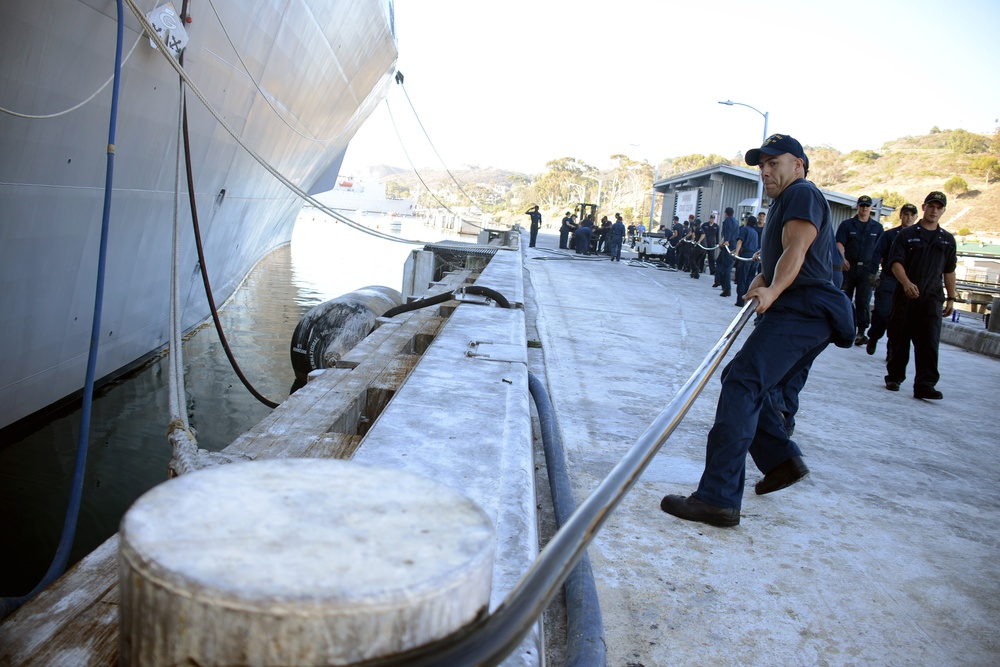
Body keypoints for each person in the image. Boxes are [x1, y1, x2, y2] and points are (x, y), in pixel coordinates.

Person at [660, 134, 854, 527]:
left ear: (798, 164)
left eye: (774, 163)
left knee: (741, 384)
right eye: (761, 165)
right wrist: (763, 278)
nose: (765, 171)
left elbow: (798, 251)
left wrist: (774, 290)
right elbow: (787, 255)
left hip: (802, 311)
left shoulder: (801, 193)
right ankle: (782, 462)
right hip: (801, 311)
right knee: (741, 377)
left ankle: (718, 498)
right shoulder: (786, 200)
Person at [884, 192, 957, 399]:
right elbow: (895, 262)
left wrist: (951, 297)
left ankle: (925, 384)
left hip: (932, 297)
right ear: (923, 207)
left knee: (929, 341)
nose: (934, 211)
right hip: (906, 295)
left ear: (943, 210)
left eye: (939, 207)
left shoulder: (947, 240)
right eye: (931, 206)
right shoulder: (906, 235)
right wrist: (906, 283)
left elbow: (949, 270)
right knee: (900, 337)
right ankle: (894, 377)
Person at [865, 203, 918, 355]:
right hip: (889, 279)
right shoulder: (889, 235)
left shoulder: (917, 237)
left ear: (915, 217)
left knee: (899, 320)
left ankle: (892, 351)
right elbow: (877, 253)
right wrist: (872, 273)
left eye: (911, 215)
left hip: (908, 282)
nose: (908, 218)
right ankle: (874, 337)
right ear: (901, 216)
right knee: (882, 313)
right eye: (905, 214)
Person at [836, 195, 883, 345]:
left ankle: (861, 331)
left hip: (867, 269)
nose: (864, 208)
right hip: (849, 267)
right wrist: (842, 259)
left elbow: (881, 250)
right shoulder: (847, 225)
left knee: (863, 300)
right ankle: (843, 328)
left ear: (871, 208)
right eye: (862, 205)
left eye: (867, 206)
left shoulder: (877, 228)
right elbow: (839, 243)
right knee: (844, 298)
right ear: (857, 206)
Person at [733, 214, 760, 306]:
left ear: (747, 222)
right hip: (753, 258)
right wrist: (735, 250)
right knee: (750, 279)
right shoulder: (755, 232)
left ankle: (740, 301)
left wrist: (736, 252)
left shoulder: (744, 229)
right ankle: (748, 300)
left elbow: (740, 241)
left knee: (742, 279)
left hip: (745, 257)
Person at [717, 207, 738, 297]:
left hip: (728, 246)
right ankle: (722, 284)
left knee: (727, 267)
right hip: (732, 244)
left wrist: (726, 241)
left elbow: (728, 232)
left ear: (726, 213)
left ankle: (727, 288)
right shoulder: (736, 222)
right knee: (719, 262)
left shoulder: (728, 220)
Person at [702, 213, 720, 281]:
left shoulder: (716, 226)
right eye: (711, 218)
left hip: (711, 244)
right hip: (705, 243)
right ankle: (700, 268)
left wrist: (717, 243)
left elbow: (717, 235)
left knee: (711, 257)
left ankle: (712, 270)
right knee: (702, 256)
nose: (712, 219)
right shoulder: (705, 225)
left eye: (713, 218)